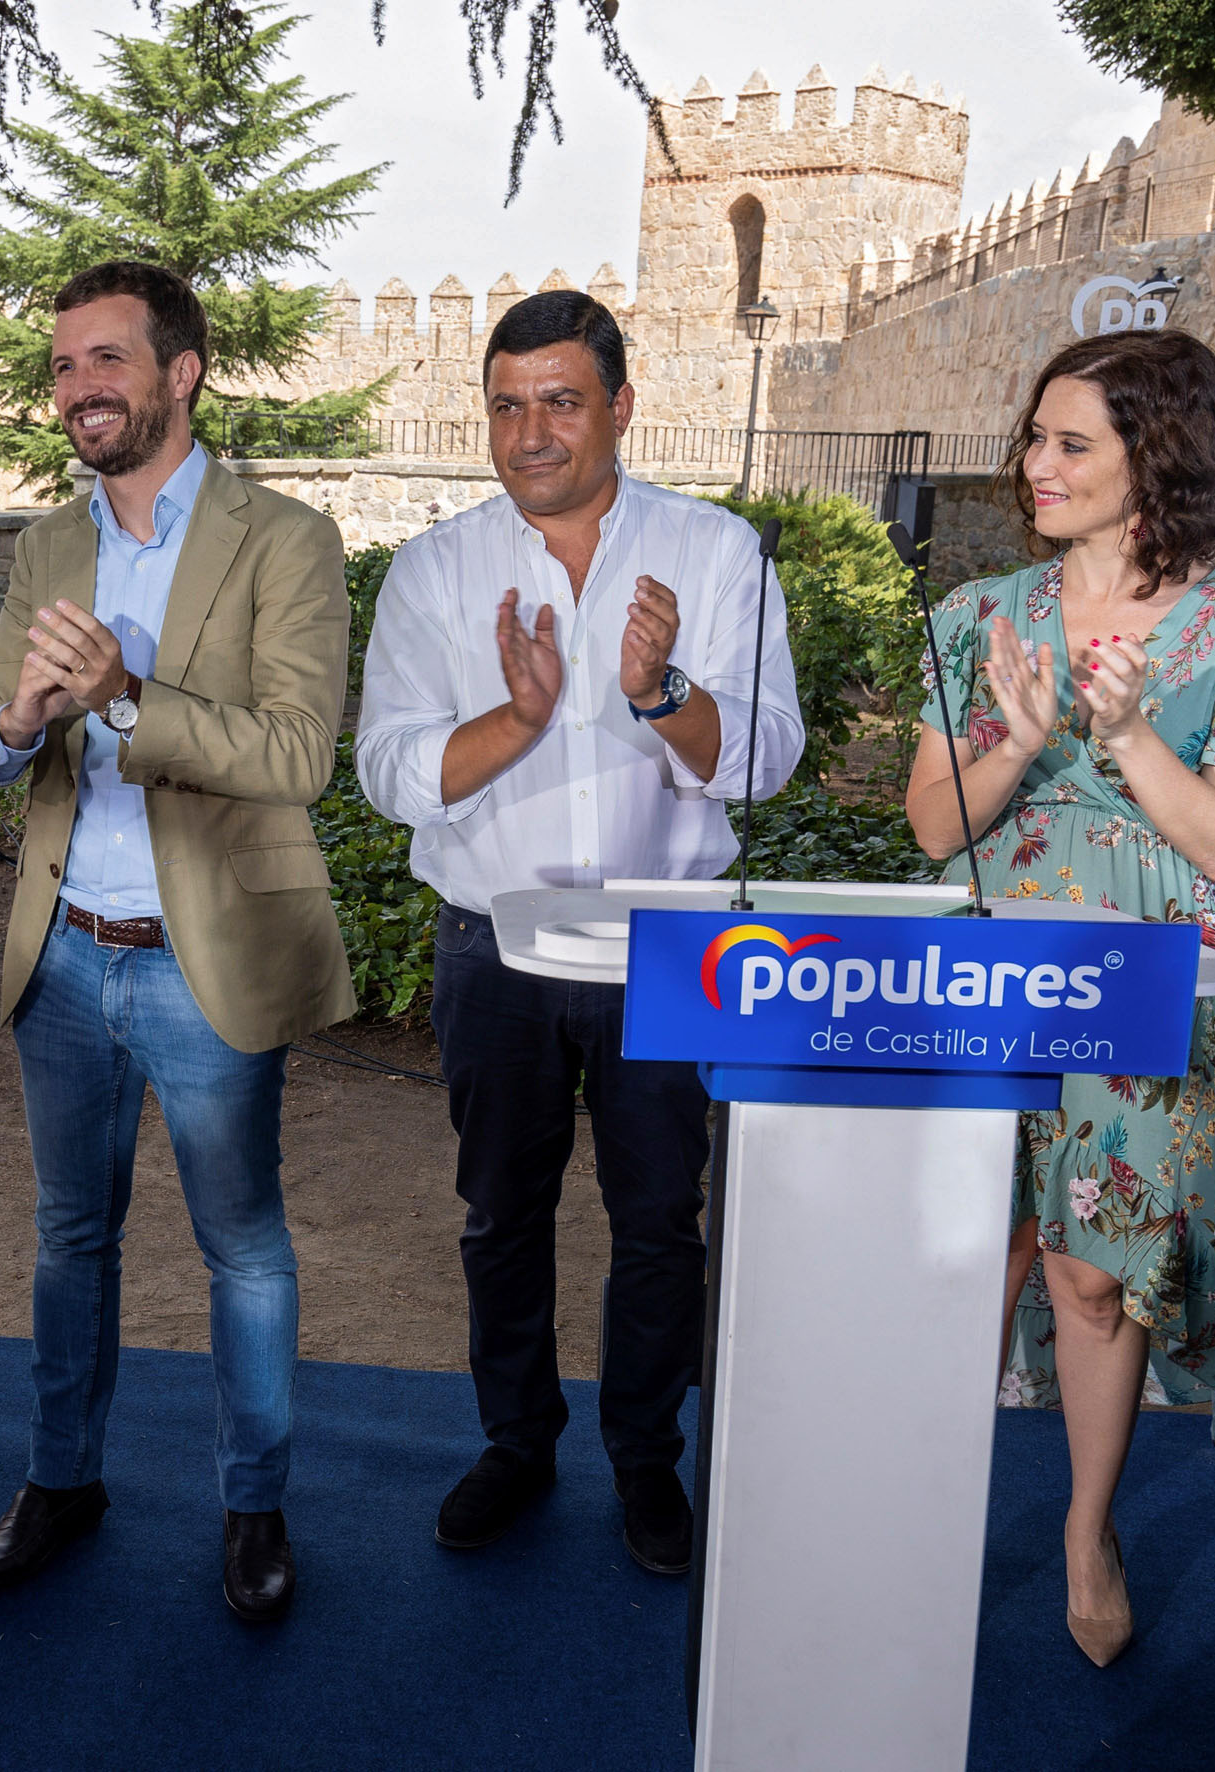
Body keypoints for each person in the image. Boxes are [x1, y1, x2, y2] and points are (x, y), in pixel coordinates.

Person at [904, 328, 1215, 1668]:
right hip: (992, 979)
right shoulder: (978, 618)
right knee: (971, 1258)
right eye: (1035, 438)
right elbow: (939, 826)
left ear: (1150, 461)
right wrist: (1026, 739)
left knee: (1089, 1278)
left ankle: (1084, 1530)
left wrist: (1119, 734)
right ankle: (924, 1511)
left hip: (1152, 982)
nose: (1032, 467)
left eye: (1069, 445)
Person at [354, 289, 803, 1575]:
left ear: (618, 402)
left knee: (661, 1218)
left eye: (559, 400)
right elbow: (386, 765)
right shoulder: (437, 568)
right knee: (499, 1211)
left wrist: (659, 693)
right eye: (506, 404)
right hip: (490, 943)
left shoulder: (715, 554)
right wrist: (517, 721)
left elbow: (764, 757)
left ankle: (644, 1458)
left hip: (670, 945)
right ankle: (514, 1438)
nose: (530, 431)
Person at [0, 260, 354, 1623]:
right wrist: (18, 724)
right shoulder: (49, 546)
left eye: (106, 361)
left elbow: (296, 754)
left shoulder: (283, 539)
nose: (78, 390)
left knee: (242, 1245)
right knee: (71, 1237)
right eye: (63, 367)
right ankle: (64, 1483)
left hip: (204, 954)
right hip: (61, 952)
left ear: (180, 372)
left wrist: (124, 698)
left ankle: (253, 1509)